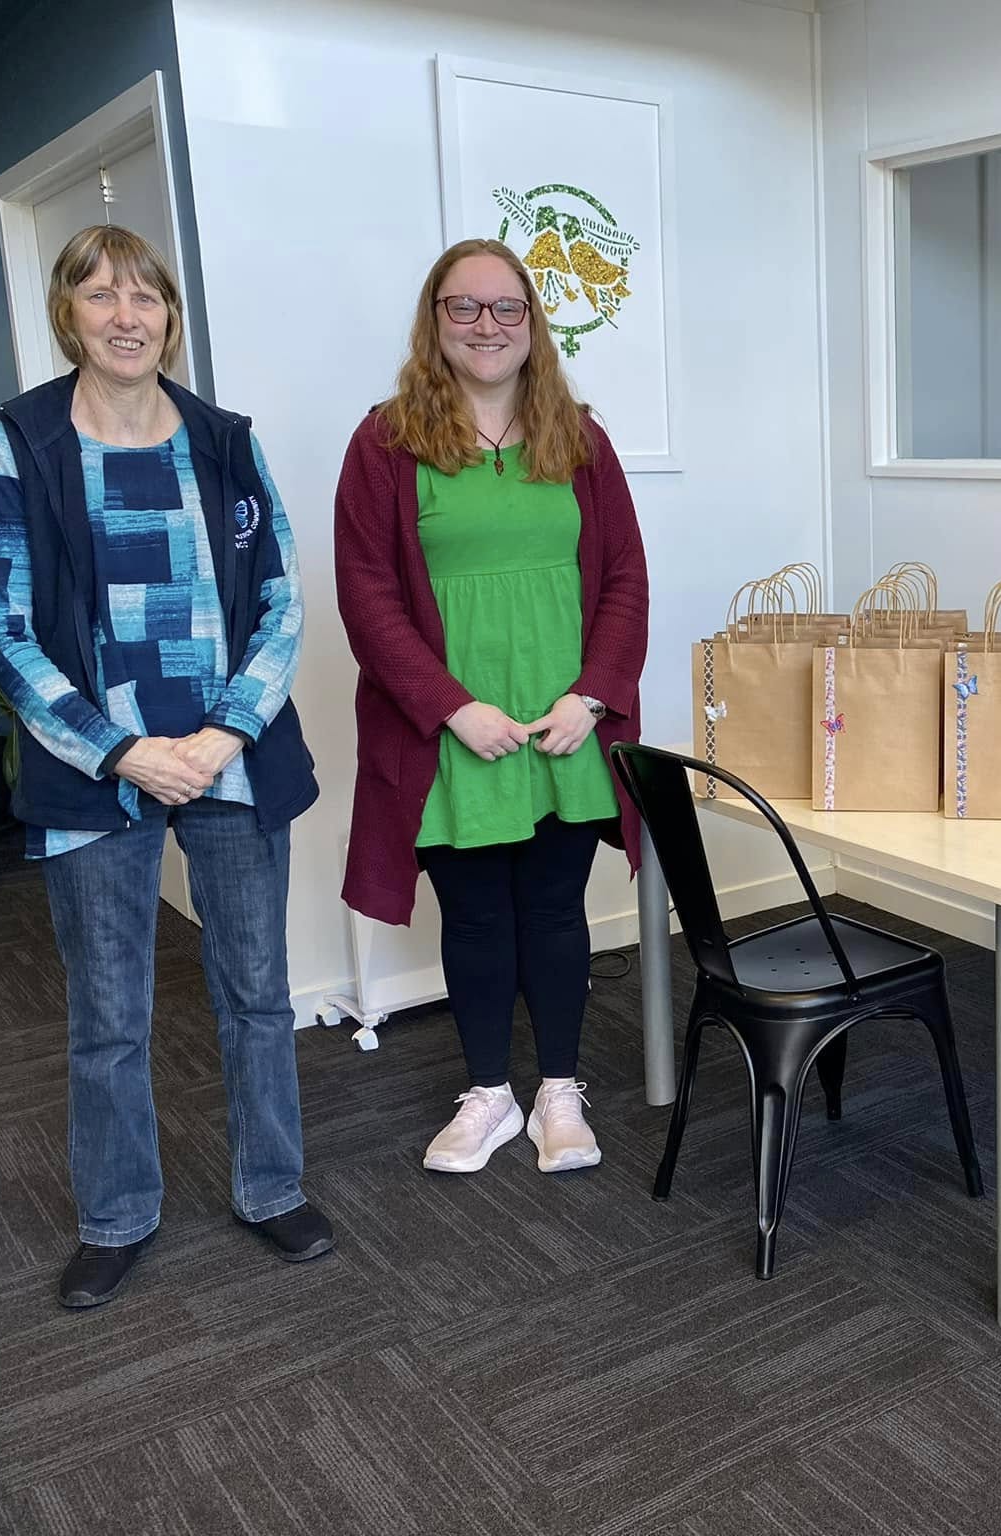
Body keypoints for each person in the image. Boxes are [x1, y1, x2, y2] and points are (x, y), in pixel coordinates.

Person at [0, 225, 328, 1309]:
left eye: (146, 296)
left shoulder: (223, 440)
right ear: (66, 314)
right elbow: (2, 627)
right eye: (98, 295)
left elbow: (282, 600)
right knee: (109, 1011)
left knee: (256, 993)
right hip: (96, 765)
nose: (126, 316)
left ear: (170, 314)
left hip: (227, 755)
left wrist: (223, 735)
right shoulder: (21, 442)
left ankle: (272, 1188)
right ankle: (116, 1216)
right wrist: (123, 748)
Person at [334, 237, 648, 1178]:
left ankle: (558, 1090)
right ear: (435, 322)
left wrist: (592, 697)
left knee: (555, 912)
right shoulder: (385, 442)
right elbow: (366, 595)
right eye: (463, 307)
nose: (486, 325)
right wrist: (449, 707)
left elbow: (626, 581)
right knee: (472, 919)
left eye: (506, 307)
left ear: (532, 323)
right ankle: (487, 1094)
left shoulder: (581, 438)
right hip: (451, 736)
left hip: (564, 729)